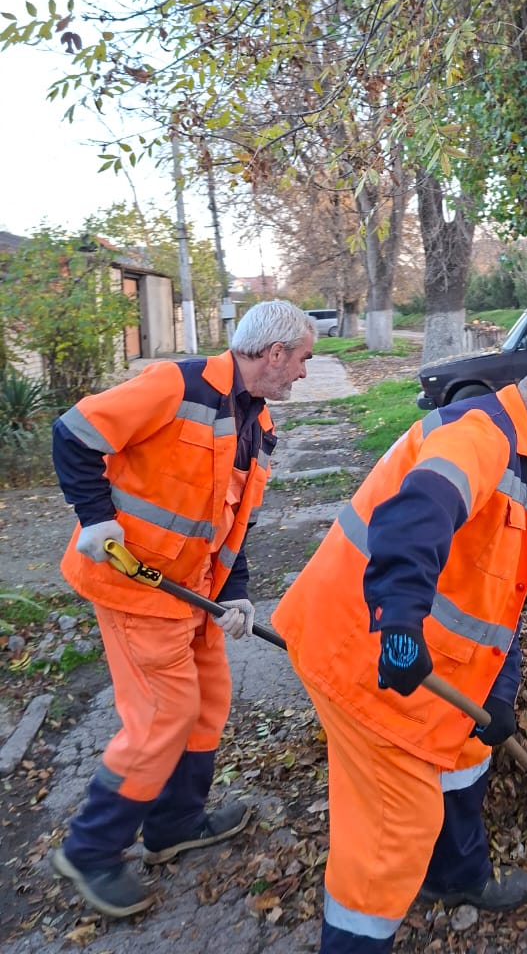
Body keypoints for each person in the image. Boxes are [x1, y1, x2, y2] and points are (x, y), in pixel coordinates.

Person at [272, 352, 527, 954]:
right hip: (368, 656)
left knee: (466, 750)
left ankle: (456, 876)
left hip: (433, 667)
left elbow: (494, 605)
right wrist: (400, 626)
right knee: (394, 834)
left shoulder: (522, 460)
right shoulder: (480, 439)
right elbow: (418, 510)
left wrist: (498, 695)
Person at [49, 299, 317, 919]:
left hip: (191, 595)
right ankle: (90, 850)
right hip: (132, 585)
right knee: (163, 714)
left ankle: (176, 823)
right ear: (274, 354)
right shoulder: (178, 385)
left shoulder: (259, 422)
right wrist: (95, 518)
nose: (304, 370)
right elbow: (75, 432)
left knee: (208, 700)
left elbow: (234, 519)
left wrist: (237, 592)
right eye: (303, 358)